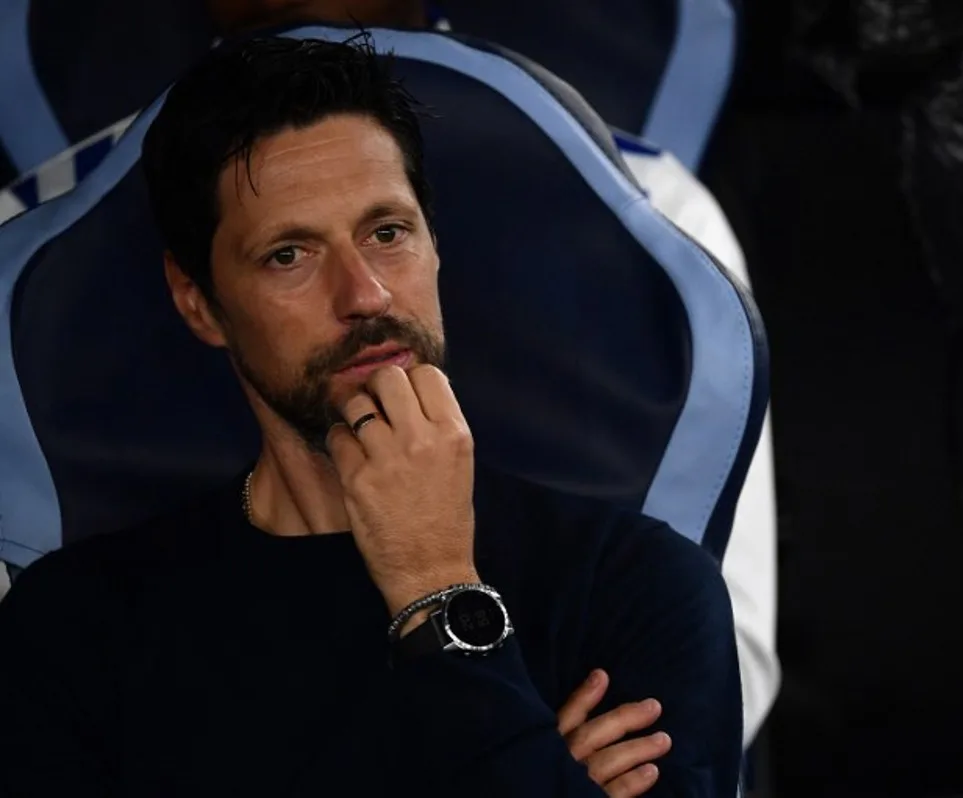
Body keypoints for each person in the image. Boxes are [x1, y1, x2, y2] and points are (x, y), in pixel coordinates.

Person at [0, 0, 779, 747]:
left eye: (387, 232)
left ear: (436, 241)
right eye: (287, 255)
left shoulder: (640, 583)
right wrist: (538, 759)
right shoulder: (78, 624)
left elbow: (723, 687)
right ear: (196, 301)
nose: (365, 295)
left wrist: (435, 587)